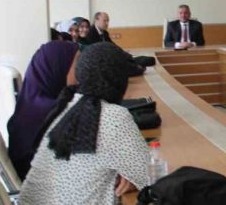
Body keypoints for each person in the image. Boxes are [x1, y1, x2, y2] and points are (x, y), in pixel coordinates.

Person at [18, 42, 149, 205]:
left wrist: (128, 173)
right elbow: (150, 175)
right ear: (120, 79)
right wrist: (132, 178)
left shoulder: (65, 106)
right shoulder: (114, 117)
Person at [7, 41, 80, 179]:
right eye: (77, 66)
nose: (81, 72)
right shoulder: (55, 115)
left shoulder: (28, 106)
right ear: (59, 68)